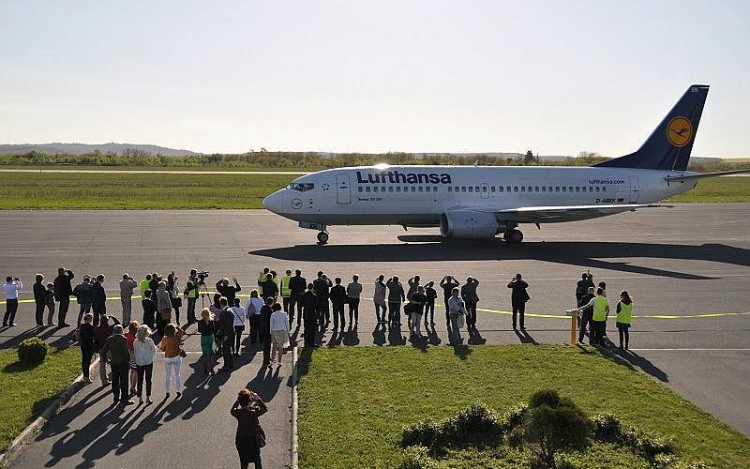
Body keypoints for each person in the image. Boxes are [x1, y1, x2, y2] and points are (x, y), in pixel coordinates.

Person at [230, 388, 268, 469]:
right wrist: (258, 398)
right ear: (250, 400)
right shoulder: (254, 412)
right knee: (257, 460)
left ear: (240, 402)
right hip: (253, 439)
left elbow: (232, 410)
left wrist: (238, 401)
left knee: (243, 462)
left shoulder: (238, 413)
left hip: (241, 440)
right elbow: (265, 409)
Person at [100, 324, 133, 406]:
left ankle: (116, 397)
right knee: (124, 382)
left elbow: (103, 351)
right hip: (123, 363)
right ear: (121, 331)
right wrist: (128, 361)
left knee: (115, 381)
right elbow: (126, 352)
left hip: (113, 362)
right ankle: (124, 399)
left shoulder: (109, 339)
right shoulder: (124, 339)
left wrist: (106, 359)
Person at [133, 325, 157, 405]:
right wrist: (152, 358)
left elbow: (135, 351)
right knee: (148, 380)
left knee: (140, 381)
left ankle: (140, 398)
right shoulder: (149, 341)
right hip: (148, 362)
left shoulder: (136, 341)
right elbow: (154, 350)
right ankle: (148, 398)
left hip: (139, 362)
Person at [94, 315, 120, 386]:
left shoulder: (96, 329)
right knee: (114, 363)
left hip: (101, 349)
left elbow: (95, 339)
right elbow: (118, 324)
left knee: (102, 365)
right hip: (110, 348)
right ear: (107, 321)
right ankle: (115, 378)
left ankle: (104, 381)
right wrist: (113, 317)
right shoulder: (110, 328)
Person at [160, 323, 184, 397]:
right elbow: (182, 332)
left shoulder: (165, 339)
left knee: (168, 375)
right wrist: (177, 327)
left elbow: (162, 349)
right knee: (177, 375)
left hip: (168, 358)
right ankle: (178, 390)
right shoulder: (177, 336)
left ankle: (167, 391)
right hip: (176, 357)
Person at [217, 297, 236, 371]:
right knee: (228, 350)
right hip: (230, 333)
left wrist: (226, 335)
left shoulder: (225, 312)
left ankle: (226, 366)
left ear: (221, 303)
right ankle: (230, 364)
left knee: (225, 350)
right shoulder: (230, 310)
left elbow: (227, 325)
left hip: (227, 334)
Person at [77, 313, 95, 384]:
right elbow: (93, 337)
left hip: (83, 346)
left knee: (84, 361)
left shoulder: (81, 326)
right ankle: (87, 377)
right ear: (90, 319)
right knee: (87, 362)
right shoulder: (90, 327)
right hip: (89, 346)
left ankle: (85, 376)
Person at [198, 308, 216, 375]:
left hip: (203, 337)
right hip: (210, 337)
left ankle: (205, 369)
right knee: (211, 354)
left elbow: (200, 331)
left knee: (204, 354)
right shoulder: (211, 321)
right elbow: (214, 330)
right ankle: (212, 369)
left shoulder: (200, 322)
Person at [124, 321, 139, 395]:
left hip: (126, 356)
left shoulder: (125, 335)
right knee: (135, 371)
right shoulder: (134, 339)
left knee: (131, 372)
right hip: (134, 356)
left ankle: (132, 386)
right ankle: (133, 387)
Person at [259, 298, 273, 365]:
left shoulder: (263, 308)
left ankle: (267, 357)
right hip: (267, 330)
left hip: (263, 329)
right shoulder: (269, 310)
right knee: (267, 345)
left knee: (266, 345)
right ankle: (266, 359)